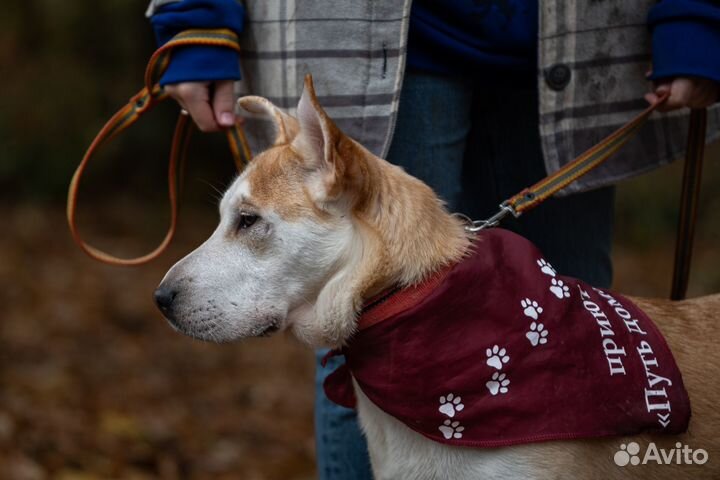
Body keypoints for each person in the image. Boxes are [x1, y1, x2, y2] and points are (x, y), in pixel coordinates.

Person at [145, 0, 720, 478]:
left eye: (249, 224)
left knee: (577, 352)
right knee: (374, 332)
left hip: (574, 42)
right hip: (379, 38)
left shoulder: (333, 174)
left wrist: (693, 13)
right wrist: (194, 16)